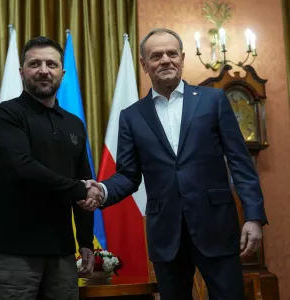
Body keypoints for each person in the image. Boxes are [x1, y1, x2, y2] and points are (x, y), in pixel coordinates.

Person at [84, 28, 267, 300]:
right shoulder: (131, 116)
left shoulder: (213, 100)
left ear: (182, 58)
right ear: (144, 65)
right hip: (166, 235)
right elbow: (128, 175)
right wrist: (103, 190)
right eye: (156, 56)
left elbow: (241, 163)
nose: (166, 60)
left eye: (172, 53)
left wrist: (253, 216)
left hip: (216, 227)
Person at [0, 36, 102, 300]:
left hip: (61, 253)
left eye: (51, 63)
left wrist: (84, 241)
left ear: (62, 72)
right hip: (12, 252)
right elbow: (21, 167)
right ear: (22, 71)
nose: (44, 70)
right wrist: (78, 187)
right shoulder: (5, 114)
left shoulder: (74, 124)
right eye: (35, 63)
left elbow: (83, 182)